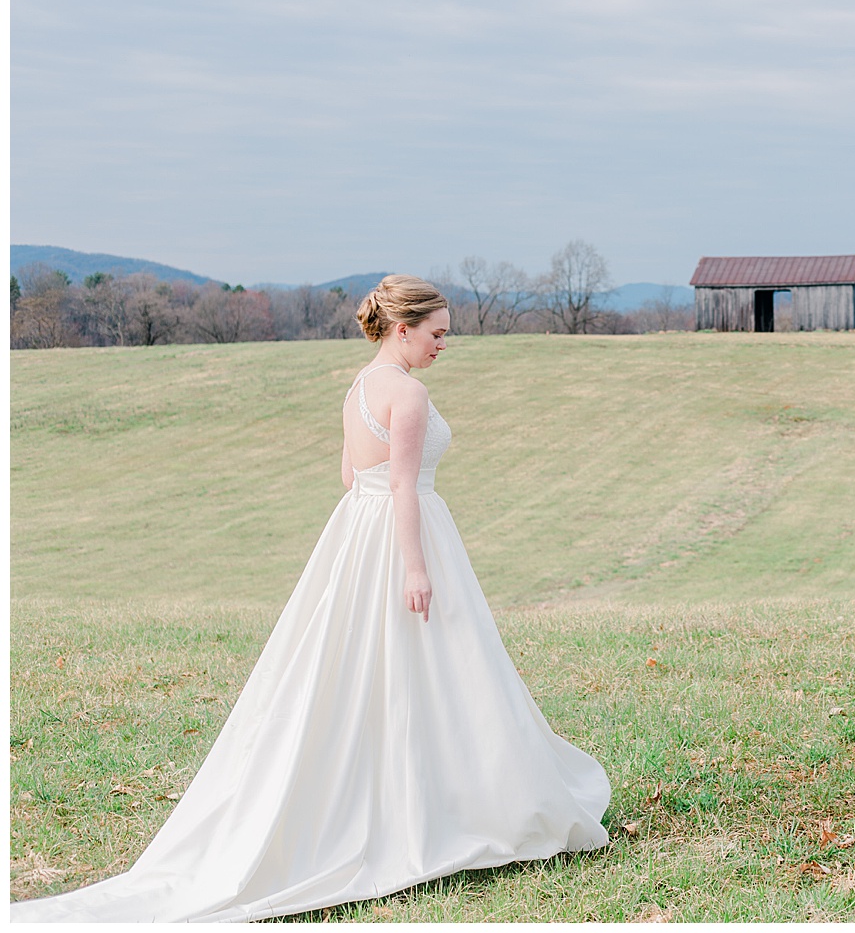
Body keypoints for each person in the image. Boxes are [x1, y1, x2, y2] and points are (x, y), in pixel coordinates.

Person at [12, 275, 611, 922]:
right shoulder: (407, 394)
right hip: (404, 535)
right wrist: (415, 566)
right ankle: (453, 806)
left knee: (375, 668)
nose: (445, 344)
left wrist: (380, 524)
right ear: (402, 328)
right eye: (438, 333)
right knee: (439, 665)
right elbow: (404, 487)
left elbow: (353, 476)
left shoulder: (358, 388)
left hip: (358, 534)